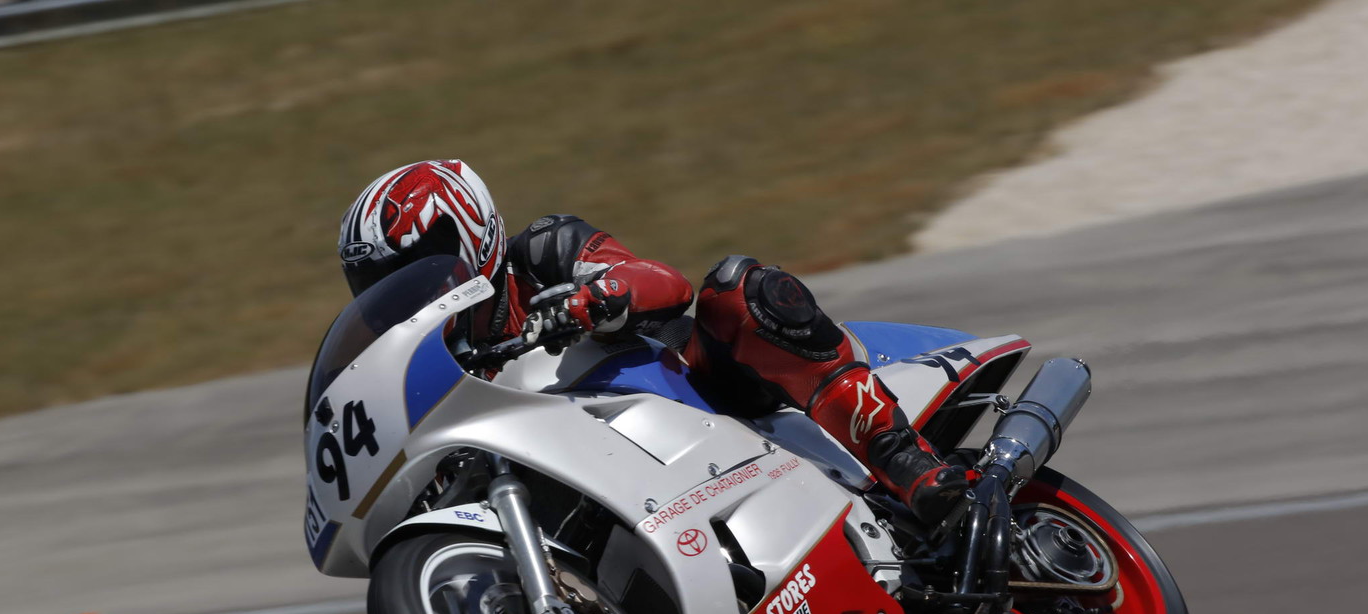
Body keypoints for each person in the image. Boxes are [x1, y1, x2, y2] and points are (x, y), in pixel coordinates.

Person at [338, 159, 970, 526]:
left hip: (695, 391)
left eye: (419, 264)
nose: (408, 290)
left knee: (740, 289)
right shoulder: (433, 367)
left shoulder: (545, 251)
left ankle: (904, 461)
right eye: (380, 284)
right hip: (609, 476)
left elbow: (663, 282)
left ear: (470, 232)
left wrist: (592, 299)